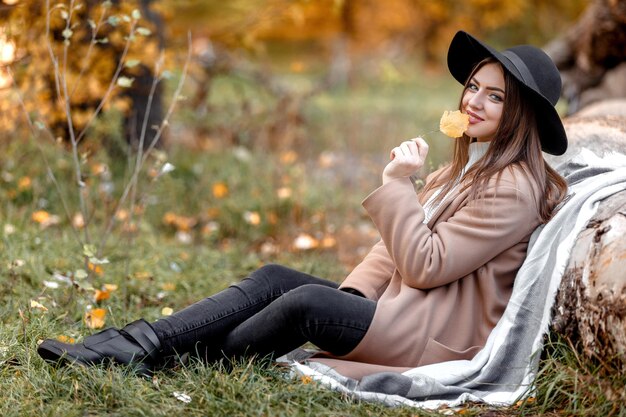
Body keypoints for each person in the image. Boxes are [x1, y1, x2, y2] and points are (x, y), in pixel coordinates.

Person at [37, 31, 568, 380]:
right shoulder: (462, 169)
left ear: (520, 114)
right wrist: (354, 296)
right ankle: (139, 343)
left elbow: (426, 266)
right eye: (473, 87)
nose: (473, 101)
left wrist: (397, 184)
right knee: (275, 277)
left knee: (306, 304)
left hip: (430, 338)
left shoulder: (513, 188)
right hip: (395, 313)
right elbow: (392, 250)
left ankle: (170, 361)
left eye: (495, 96)